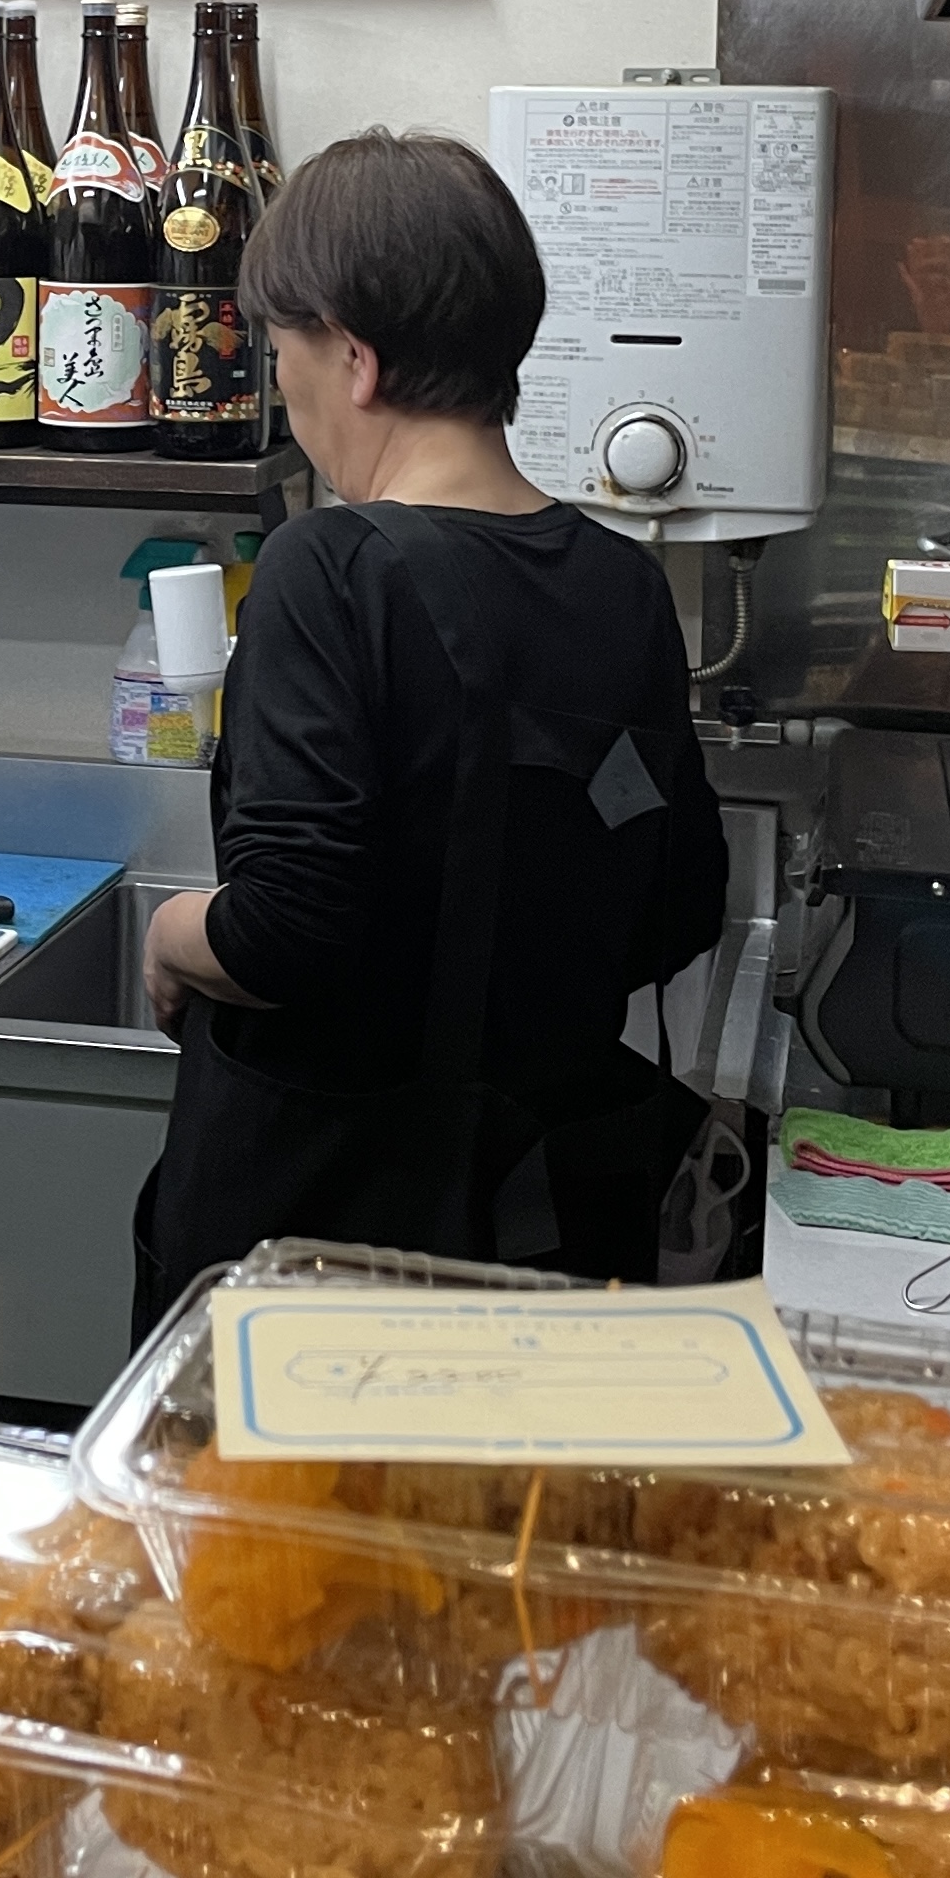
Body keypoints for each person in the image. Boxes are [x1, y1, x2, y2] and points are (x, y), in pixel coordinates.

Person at [132, 129, 727, 1331]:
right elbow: (681, 904)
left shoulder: (329, 568)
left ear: (354, 359)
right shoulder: (624, 585)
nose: (283, 387)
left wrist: (172, 934)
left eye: (282, 352)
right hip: (538, 1229)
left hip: (319, 1258)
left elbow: (285, 931)